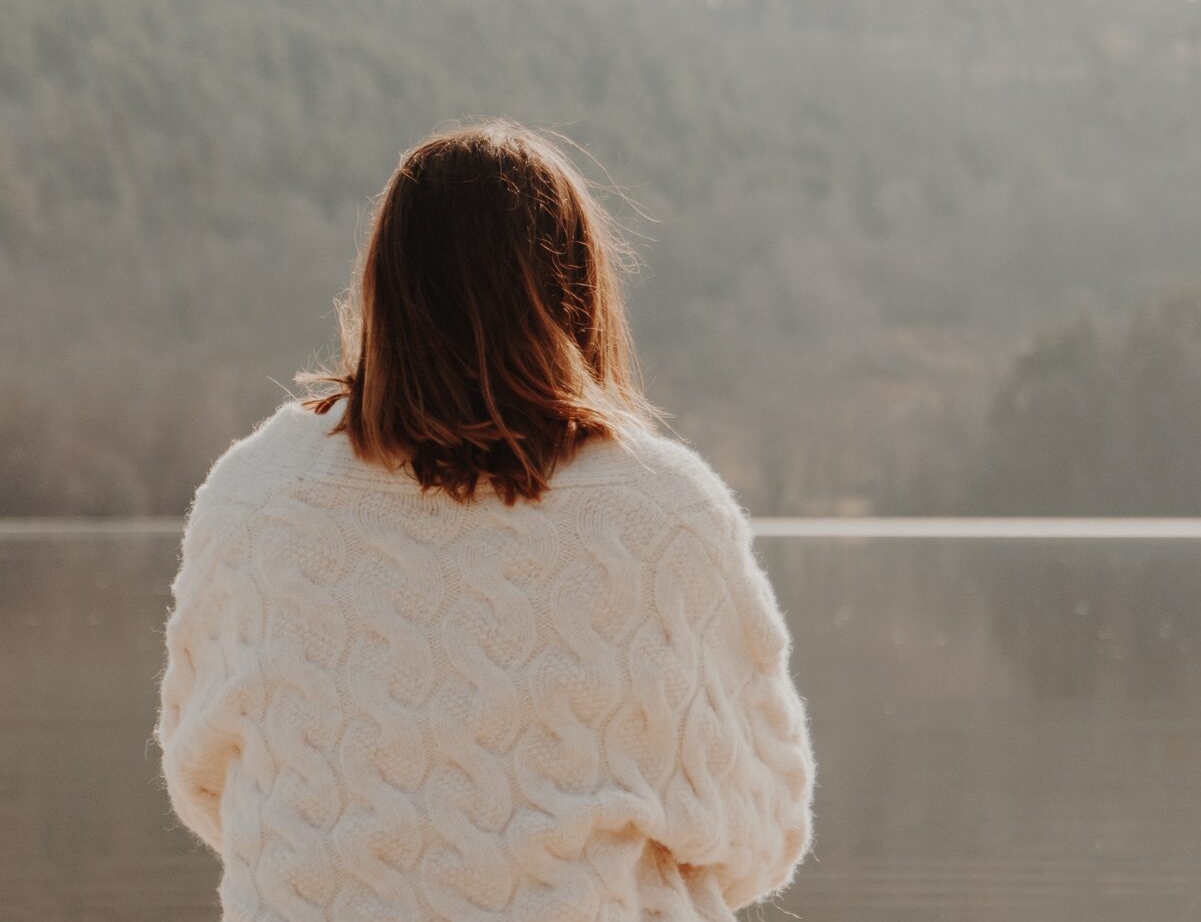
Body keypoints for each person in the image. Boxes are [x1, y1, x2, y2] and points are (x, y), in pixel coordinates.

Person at [155, 120, 814, 921]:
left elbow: (202, 778)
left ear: (385, 288)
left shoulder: (255, 491)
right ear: (576, 289)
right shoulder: (661, 512)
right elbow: (762, 828)